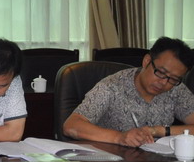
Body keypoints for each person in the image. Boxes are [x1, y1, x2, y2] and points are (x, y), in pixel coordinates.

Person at [63, 37, 194, 146]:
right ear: (147, 61)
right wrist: (119, 137)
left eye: (174, 79)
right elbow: (71, 126)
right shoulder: (111, 87)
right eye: (161, 72)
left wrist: (158, 131)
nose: (164, 82)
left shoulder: (176, 89)